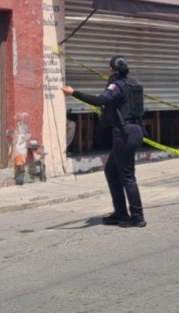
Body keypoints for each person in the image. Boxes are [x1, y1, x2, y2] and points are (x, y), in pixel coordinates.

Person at [61, 56, 146, 228]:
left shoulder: (117, 85)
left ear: (112, 69)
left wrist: (74, 93)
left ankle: (137, 217)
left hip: (125, 134)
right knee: (111, 171)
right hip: (133, 131)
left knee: (127, 176)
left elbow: (100, 100)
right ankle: (120, 213)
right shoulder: (130, 84)